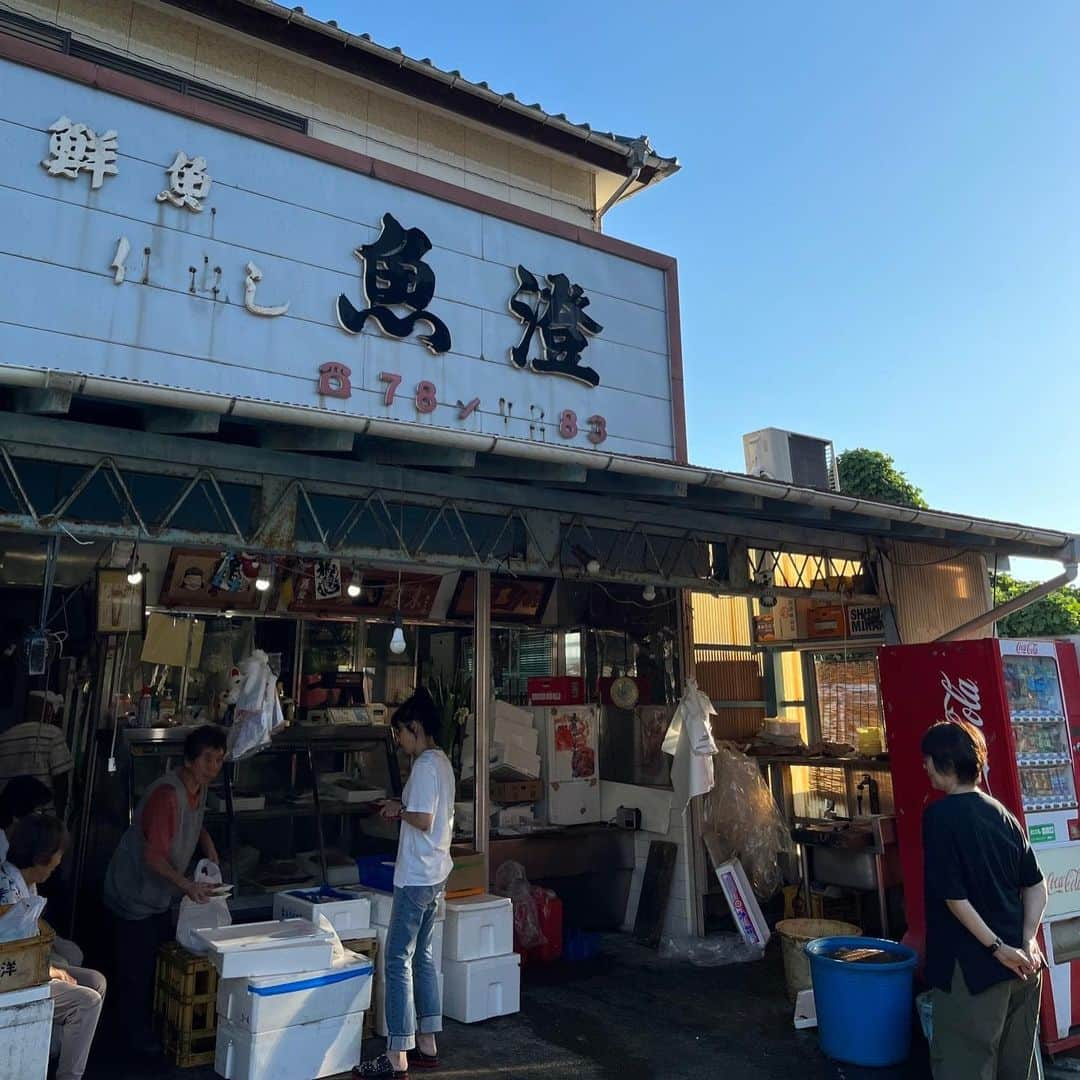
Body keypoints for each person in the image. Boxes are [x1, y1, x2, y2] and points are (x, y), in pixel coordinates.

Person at [921, 720, 1047, 1080]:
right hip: (1023, 970)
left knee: (965, 1068)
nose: (924, 767)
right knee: (1015, 1071)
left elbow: (954, 898)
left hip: (973, 972)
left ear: (945, 764)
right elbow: (1036, 885)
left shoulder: (940, 816)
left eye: (927, 760)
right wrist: (1026, 939)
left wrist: (995, 947)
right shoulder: (1002, 814)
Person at [103, 724, 225, 1053]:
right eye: (208, 759)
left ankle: (147, 1028)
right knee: (135, 971)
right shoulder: (167, 795)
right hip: (134, 892)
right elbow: (153, 856)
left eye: (219, 760)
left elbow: (197, 821)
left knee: (151, 962)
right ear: (189, 759)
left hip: (157, 894)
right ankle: (131, 1042)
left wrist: (208, 846)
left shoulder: (197, 790)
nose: (213, 767)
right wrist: (187, 886)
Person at [356, 688, 454, 1078]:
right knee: (423, 956)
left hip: (417, 878)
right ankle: (427, 1042)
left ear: (416, 728)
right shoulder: (442, 763)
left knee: (397, 959)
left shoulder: (426, 767)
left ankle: (397, 1056)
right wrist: (403, 808)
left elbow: (424, 818)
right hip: (436, 874)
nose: (398, 742)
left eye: (400, 734)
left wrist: (398, 810)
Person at [0, 815, 106, 1080]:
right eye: (57, 854)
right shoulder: (6, 890)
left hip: (27, 970)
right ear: (41, 856)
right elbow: (10, 955)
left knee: (95, 981)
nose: (59, 862)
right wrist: (51, 971)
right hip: (11, 981)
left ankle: (50, 1050)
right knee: (87, 1002)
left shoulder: (25, 881)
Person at [0, 691, 74, 817]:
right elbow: (61, 782)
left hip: (7, 821)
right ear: (49, 712)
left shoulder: (4, 737)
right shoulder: (53, 734)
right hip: (40, 822)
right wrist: (59, 819)